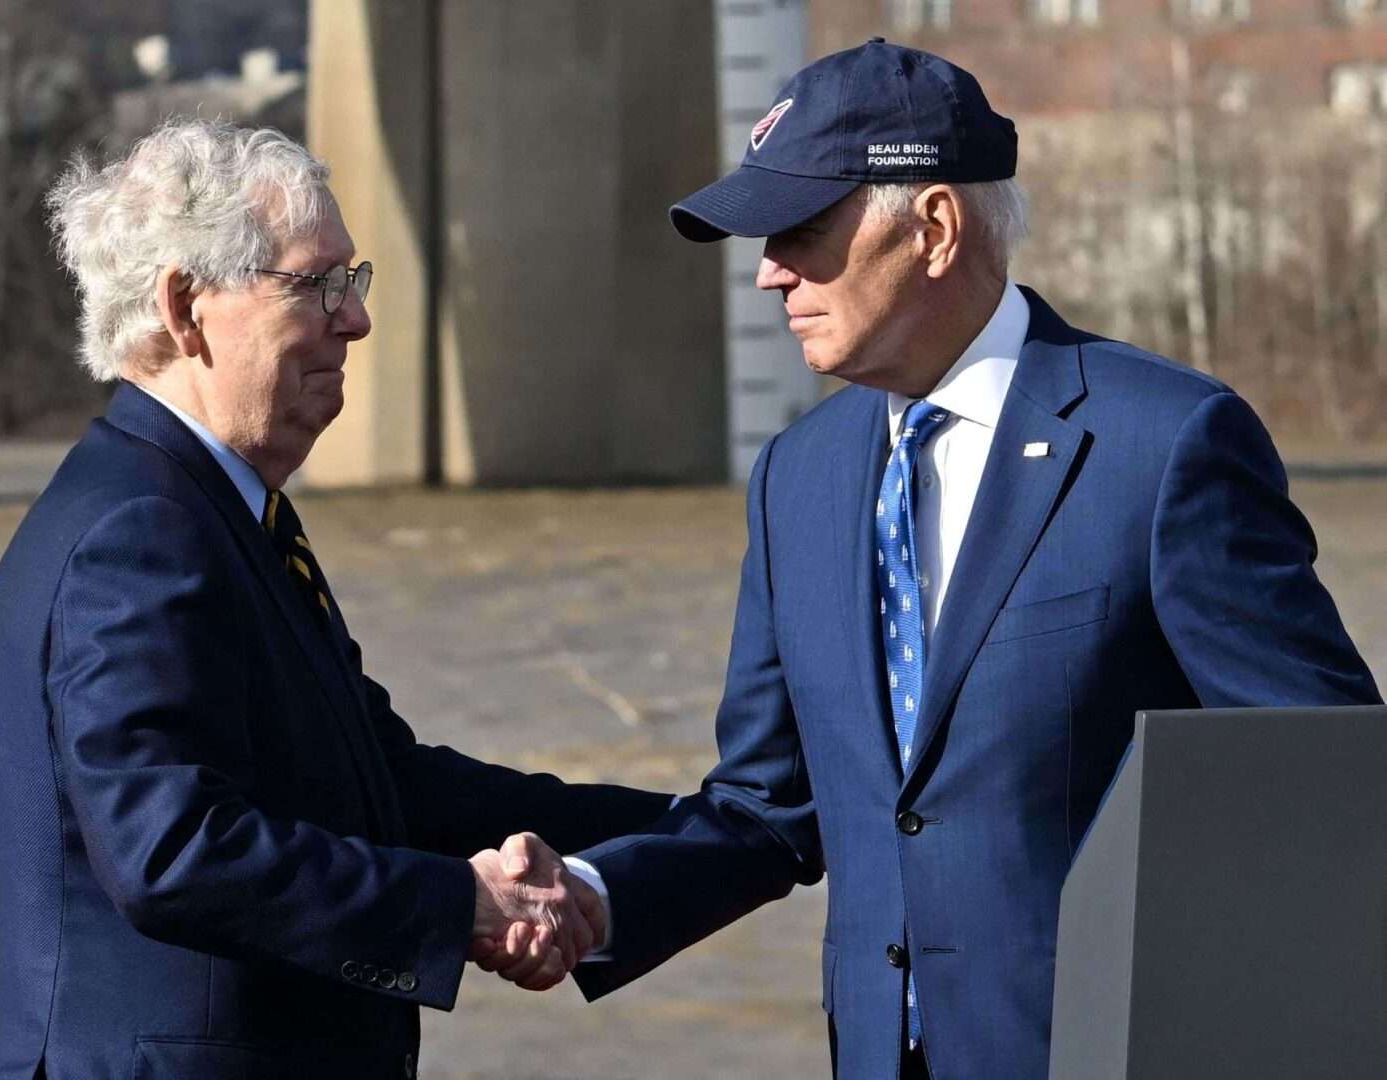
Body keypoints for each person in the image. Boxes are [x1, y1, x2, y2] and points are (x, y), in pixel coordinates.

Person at [545, 39, 1382, 1080]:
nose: (767, 273)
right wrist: (595, 895)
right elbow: (769, 807)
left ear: (933, 227)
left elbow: (1322, 785)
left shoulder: (1162, 446)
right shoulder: (795, 480)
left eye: (800, 231)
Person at [0, 118, 670, 1080]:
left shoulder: (214, 511)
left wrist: (686, 827)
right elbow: (169, 849)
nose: (357, 319)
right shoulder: (141, 531)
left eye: (355, 282)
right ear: (184, 307)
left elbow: (386, 785)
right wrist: (458, 908)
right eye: (317, 285)